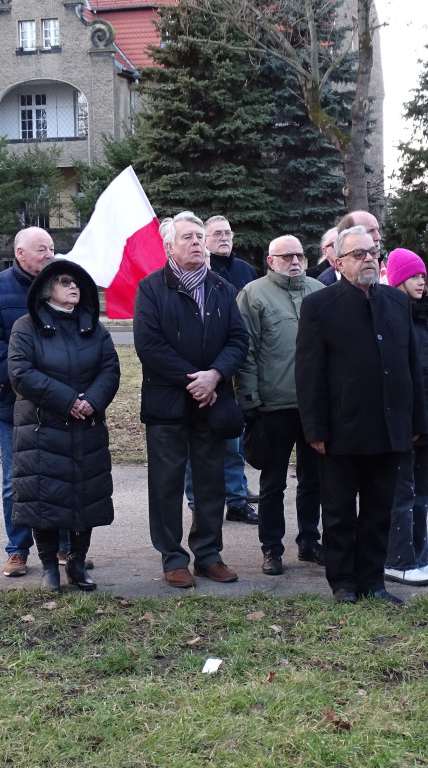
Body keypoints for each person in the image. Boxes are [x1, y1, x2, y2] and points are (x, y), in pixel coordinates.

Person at [296, 226, 423, 605]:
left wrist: (416, 420)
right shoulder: (319, 306)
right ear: (338, 262)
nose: (369, 259)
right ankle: (343, 583)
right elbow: (308, 372)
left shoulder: (397, 303)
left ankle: (373, 581)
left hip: (389, 427)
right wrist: (315, 428)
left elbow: (412, 365)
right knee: (338, 513)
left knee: (378, 510)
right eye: (358, 254)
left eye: (372, 252)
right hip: (341, 428)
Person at [134, 211, 249, 588]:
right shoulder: (151, 288)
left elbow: (238, 340)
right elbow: (149, 346)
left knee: (210, 482)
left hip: (210, 403)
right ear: (169, 246)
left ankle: (209, 555)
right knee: (166, 484)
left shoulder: (222, 288)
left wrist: (214, 375)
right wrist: (193, 380)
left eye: (200, 237)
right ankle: (173, 558)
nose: (197, 242)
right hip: (167, 404)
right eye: (188, 237)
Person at [8, 260, 120, 592]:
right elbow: (20, 373)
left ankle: (77, 562)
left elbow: (110, 370)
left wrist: (92, 401)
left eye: (78, 282)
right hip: (43, 429)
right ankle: (48, 567)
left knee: (85, 497)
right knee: (43, 500)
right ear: (47, 288)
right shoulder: (26, 326)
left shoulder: (94, 327)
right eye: (65, 281)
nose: (75, 287)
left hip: (87, 427)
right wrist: (68, 399)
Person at [0, 227, 75, 578]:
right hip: (15, 403)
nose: (50, 255)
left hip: (62, 402)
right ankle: (17, 549)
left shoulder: (64, 285)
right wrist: (29, 384)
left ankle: (64, 546)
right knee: (17, 479)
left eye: (51, 248)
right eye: (42, 249)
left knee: (61, 473)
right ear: (20, 253)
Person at [235, 235, 325, 576]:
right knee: (272, 483)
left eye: (299, 254)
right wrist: (249, 401)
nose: (295, 261)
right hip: (272, 406)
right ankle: (271, 548)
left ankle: (309, 542)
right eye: (286, 256)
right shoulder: (254, 294)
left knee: (313, 479)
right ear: (270, 261)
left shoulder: (319, 291)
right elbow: (246, 352)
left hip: (314, 406)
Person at [381, 249, 428, 587]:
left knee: (423, 490)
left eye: (423, 275)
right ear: (398, 280)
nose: (421, 281)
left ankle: (418, 557)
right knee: (402, 492)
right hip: (405, 422)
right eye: (413, 276)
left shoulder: (426, 316)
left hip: (426, 418)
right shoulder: (393, 316)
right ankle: (398, 559)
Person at [184, 215, 259, 524]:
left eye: (228, 232)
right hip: (197, 375)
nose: (224, 237)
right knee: (195, 444)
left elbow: (244, 328)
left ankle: (236, 497)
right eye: (216, 233)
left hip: (236, 368)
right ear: (205, 239)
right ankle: (197, 501)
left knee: (234, 438)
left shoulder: (246, 271)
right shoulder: (200, 272)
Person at [316, 211, 383, 285]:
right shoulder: (325, 283)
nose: (378, 237)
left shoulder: (387, 270)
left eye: (377, 230)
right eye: (370, 231)